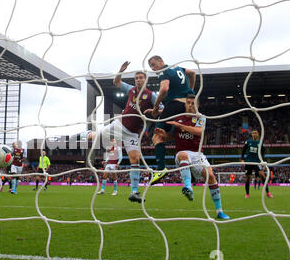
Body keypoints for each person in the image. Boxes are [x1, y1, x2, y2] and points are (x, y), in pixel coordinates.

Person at [74, 61, 160, 203]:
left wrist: (154, 111)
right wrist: (120, 70)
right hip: (119, 125)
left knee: (135, 158)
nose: (138, 80)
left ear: (146, 79)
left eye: (141, 78)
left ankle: (133, 192)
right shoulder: (131, 89)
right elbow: (116, 81)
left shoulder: (151, 96)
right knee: (93, 137)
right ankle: (84, 133)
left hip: (132, 133)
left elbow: (160, 109)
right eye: (136, 78)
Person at [155, 95, 230, 219]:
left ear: (197, 105)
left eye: (192, 103)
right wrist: (164, 135)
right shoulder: (178, 118)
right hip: (181, 153)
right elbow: (172, 137)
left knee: (211, 177)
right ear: (185, 105)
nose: (190, 105)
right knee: (183, 155)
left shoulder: (201, 118)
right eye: (188, 103)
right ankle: (188, 187)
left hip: (197, 154)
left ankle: (219, 211)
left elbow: (199, 131)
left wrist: (180, 126)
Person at [147, 55, 196, 185]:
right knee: (171, 136)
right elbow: (192, 73)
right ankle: (191, 173)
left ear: (160, 61)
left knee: (156, 137)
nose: (153, 68)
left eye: (153, 64)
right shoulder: (178, 67)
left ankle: (161, 169)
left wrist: (156, 107)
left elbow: (164, 89)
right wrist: (191, 91)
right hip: (185, 107)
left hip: (175, 105)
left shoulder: (164, 71)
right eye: (150, 66)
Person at [241, 130, 273, 198]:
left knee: (262, 175)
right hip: (249, 162)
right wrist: (242, 159)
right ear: (251, 134)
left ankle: (268, 192)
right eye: (253, 133)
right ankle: (247, 194)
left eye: (255, 133)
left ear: (258, 134)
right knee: (247, 178)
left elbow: (263, 153)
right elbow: (243, 151)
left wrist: (263, 162)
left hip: (257, 162)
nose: (254, 134)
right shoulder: (248, 142)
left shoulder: (260, 143)